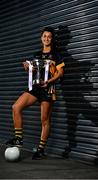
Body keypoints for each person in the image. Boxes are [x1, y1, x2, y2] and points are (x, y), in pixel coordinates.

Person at [6, 27, 65, 160]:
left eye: (49, 37)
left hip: (48, 89)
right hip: (36, 88)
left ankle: (40, 150)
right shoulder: (37, 55)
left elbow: (60, 73)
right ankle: (18, 139)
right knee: (16, 107)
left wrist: (49, 81)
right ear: (41, 38)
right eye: (44, 36)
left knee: (44, 120)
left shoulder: (57, 54)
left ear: (52, 39)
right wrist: (27, 67)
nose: (46, 39)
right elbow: (33, 72)